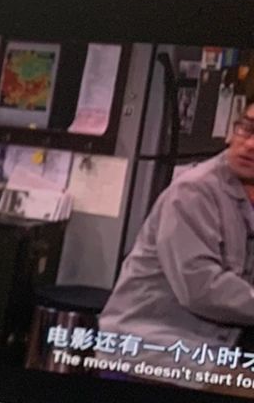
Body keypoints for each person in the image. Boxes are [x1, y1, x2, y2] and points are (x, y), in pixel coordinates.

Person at [100, 106, 254, 353]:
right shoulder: (194, 191)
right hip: (156, 345)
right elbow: (201, 289)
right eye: (247, 129)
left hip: (221, 345)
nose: (249, 144)